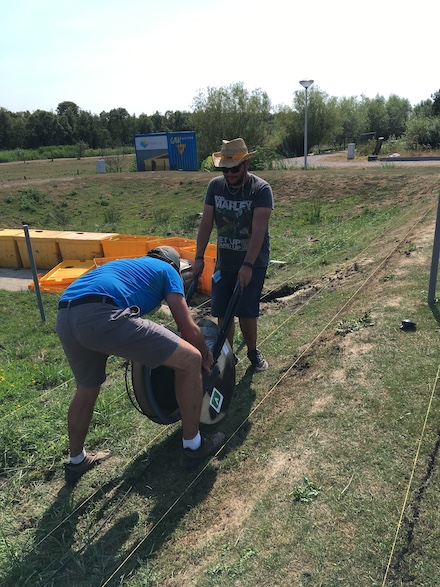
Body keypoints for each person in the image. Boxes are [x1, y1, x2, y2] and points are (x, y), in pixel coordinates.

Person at [56, 246, 225, 483]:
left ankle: (76, 460)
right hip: (102, 313)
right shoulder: (168, 271)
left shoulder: (127, 264)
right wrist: (205, 353)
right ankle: (194, 445)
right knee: (190, 359)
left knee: (86, 390)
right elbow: (187, 328)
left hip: (65, 314)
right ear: (174, 265)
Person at [193, 138, 274, 372]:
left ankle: (252, 352)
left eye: (234, 169)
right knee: (222, 310)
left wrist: (248, 265)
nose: (229, 174)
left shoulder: (261, 190)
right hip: (225, 262)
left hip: (253, 262)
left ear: (246, 165)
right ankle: (227, 357)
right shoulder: (215, 187)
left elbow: (259, 230)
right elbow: (206, 223)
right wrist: (199, 258)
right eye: (225, 169)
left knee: (247, 310)